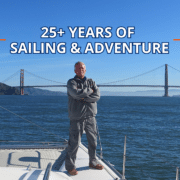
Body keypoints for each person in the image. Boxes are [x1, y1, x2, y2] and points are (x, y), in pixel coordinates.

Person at [65, 61, 104, 175]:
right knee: (74, 143)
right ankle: (70, 166)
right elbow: (75, 94)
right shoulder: (71, 82)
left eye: (82, 68)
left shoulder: (91, 81)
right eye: (78, 68)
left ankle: (93, 161)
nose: (81, 69)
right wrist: (89, 91)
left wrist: (83, 97)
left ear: (85, 70)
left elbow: (97, 96)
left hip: (91, 117)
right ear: (75, 70)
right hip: (77, 118)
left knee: (93, 142)